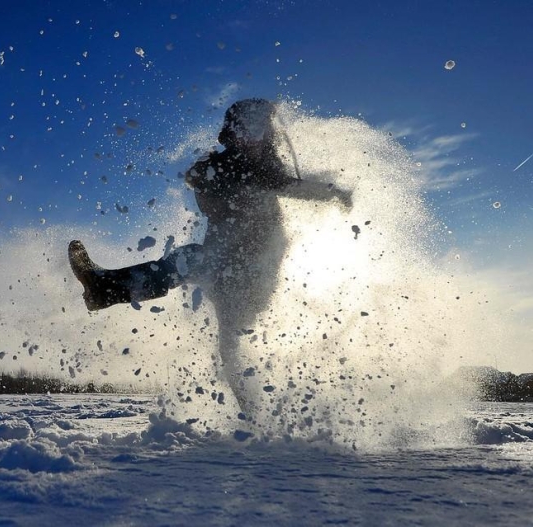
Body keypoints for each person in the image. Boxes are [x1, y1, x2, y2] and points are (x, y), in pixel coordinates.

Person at [68, 98, 352, 409]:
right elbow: (197, 178)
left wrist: (337, 194)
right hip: (223, 266)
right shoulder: (221, 165)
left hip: (255, 274)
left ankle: (258, 412)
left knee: (222, 321)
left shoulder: (268, 171)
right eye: (245, 128)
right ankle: (104, 290)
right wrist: (207, 177)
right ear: (232, 132)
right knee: (211, 304)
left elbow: (294, 187)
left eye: (260, 128)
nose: (252, 137)